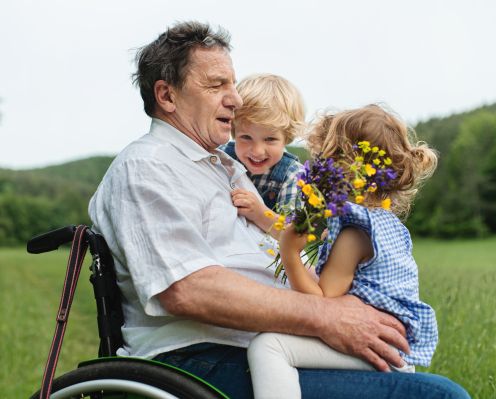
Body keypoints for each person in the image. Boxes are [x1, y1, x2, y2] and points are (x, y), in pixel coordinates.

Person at [88, 20, 470, 399]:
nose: (235, 99)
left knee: (427, 387)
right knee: (439, 397)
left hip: (267, 348)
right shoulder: (148, 166)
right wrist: (328, 316)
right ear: (167, 97)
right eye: (217, 84)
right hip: (199, 360)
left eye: (232, 84)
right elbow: (187, 289)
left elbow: (280, 253)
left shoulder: (227, 170)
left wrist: (341, 304)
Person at [247, 104, 439, 399]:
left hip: (377, 350)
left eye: (323, 159)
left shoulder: (353, 234)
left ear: (343, 167)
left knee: (268, 345)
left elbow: (322, 305)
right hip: (397, 347)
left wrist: (288, 255)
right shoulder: (385, 223)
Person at [220, 74, 306, 234]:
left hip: (269, 254)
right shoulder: (222, 156)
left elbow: (295, 234)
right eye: (246, 137)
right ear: (233, 131)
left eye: (270, 139)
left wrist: (260, 214)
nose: (257, 151)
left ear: (286, 137)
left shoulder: (293, 174)